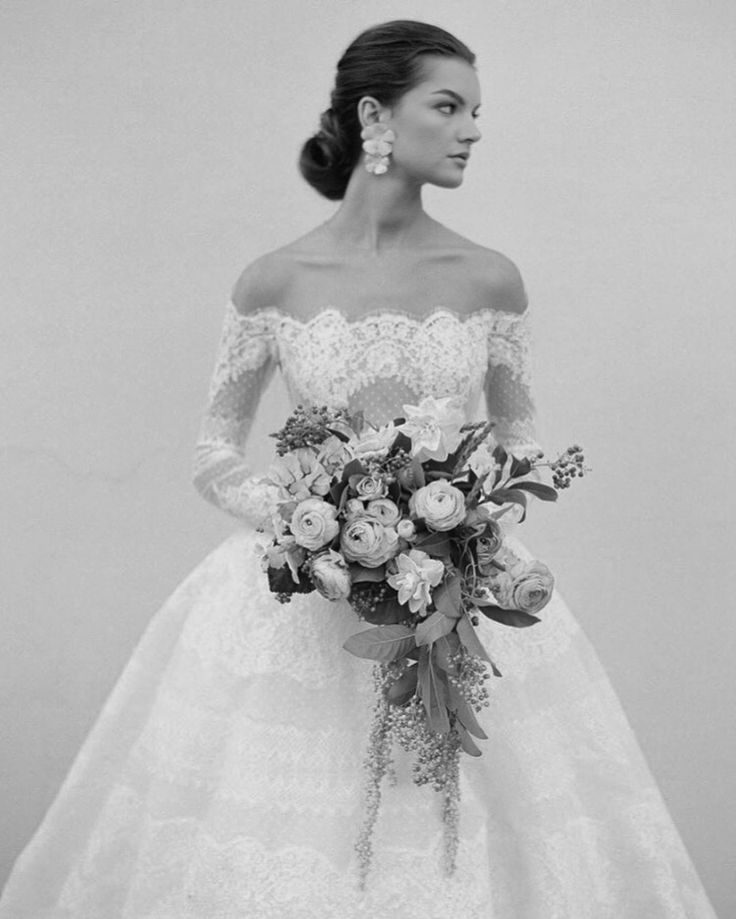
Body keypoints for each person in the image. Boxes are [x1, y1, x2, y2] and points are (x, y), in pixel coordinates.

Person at [0, 19, 718, 919]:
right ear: (376, 115)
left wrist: (447, 517)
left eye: (477, 111)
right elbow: (212, 450)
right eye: (448, 106)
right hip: (295, 602)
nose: (472, 129)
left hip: (452, 595)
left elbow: (522, 441)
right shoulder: (275, 279)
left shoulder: (490, 278)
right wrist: (316, 521)